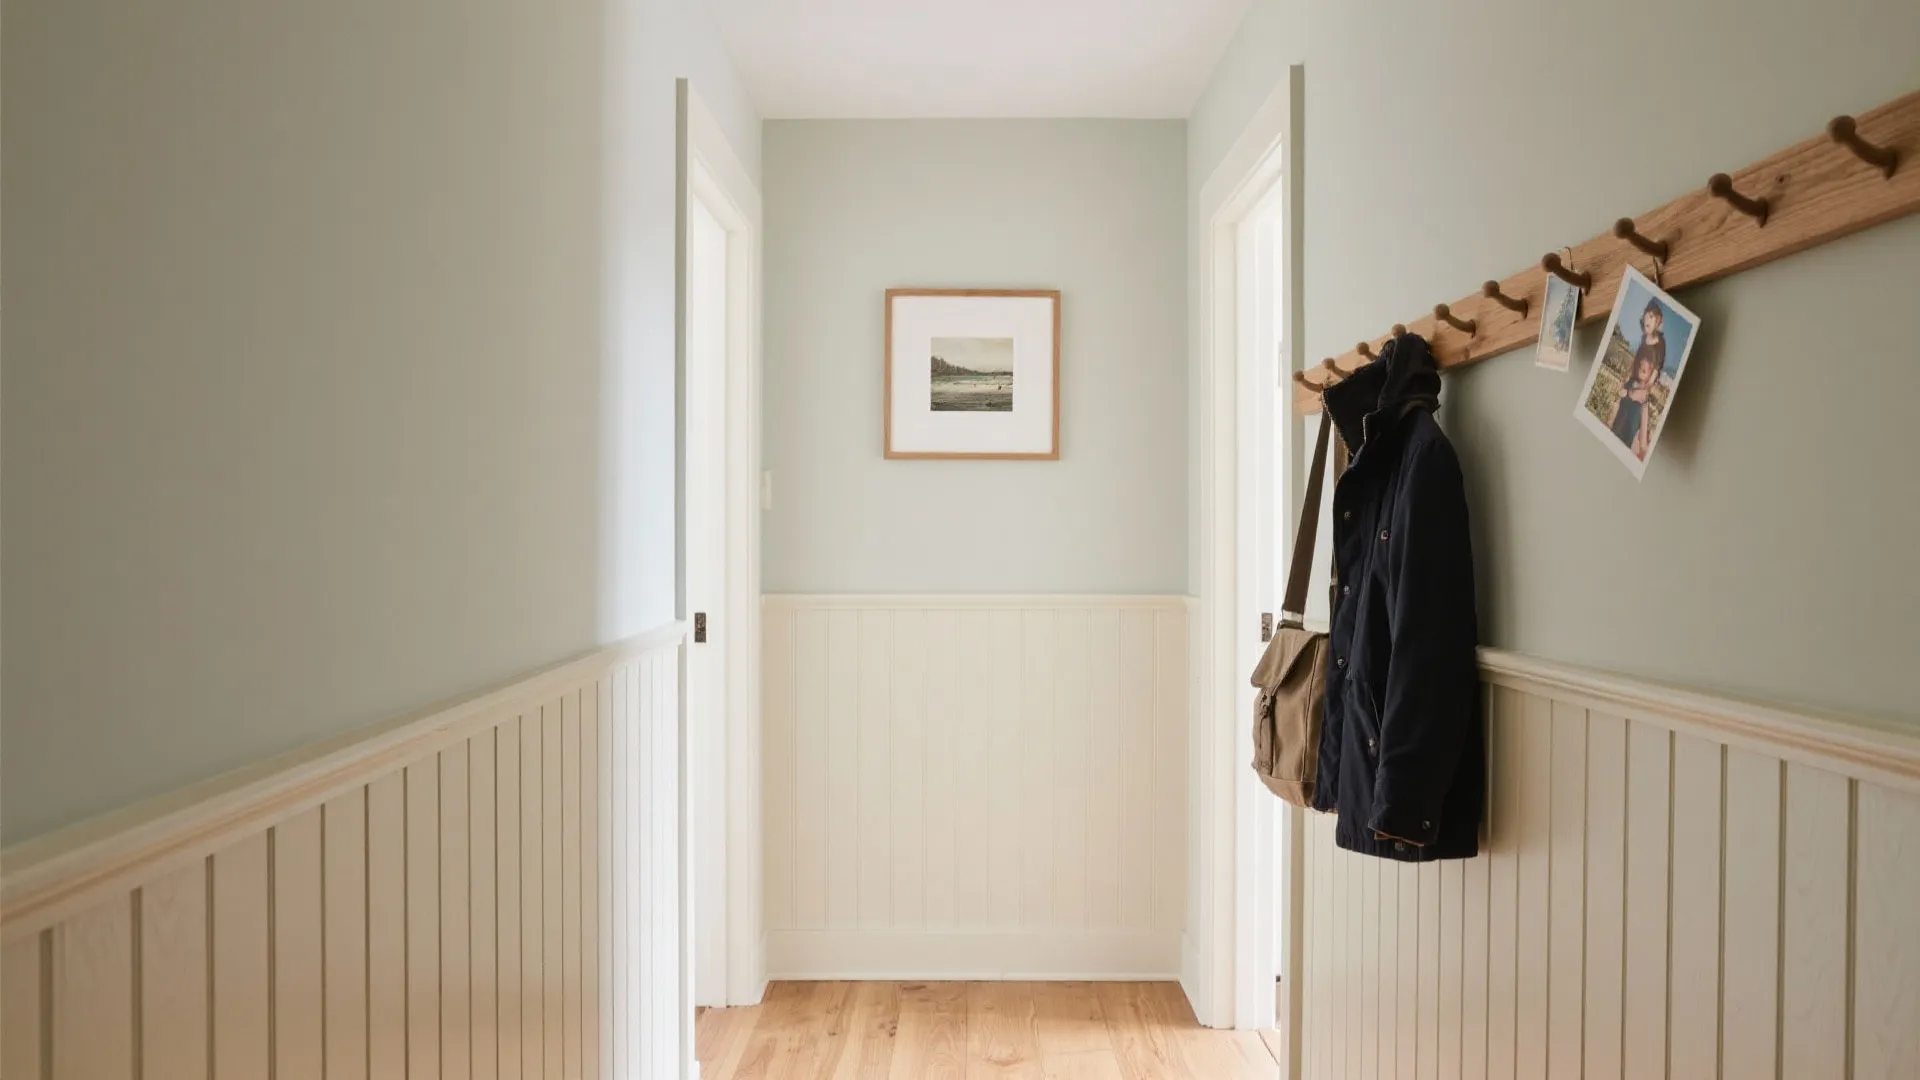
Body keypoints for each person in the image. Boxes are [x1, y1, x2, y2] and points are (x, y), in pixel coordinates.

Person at [1606, 300, 1665, 459]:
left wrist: (1643, 390)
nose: (1648, 319)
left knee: (1632, 423)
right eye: (1647, 315)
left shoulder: (1660, 345)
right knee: (1619, 414)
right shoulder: (1643, 338)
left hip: (1642, 389)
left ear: (1658, 321)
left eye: (1652, 317)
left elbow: (1656, 371)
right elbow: (1635, 362)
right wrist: (1626, 380)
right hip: (1633, 382)